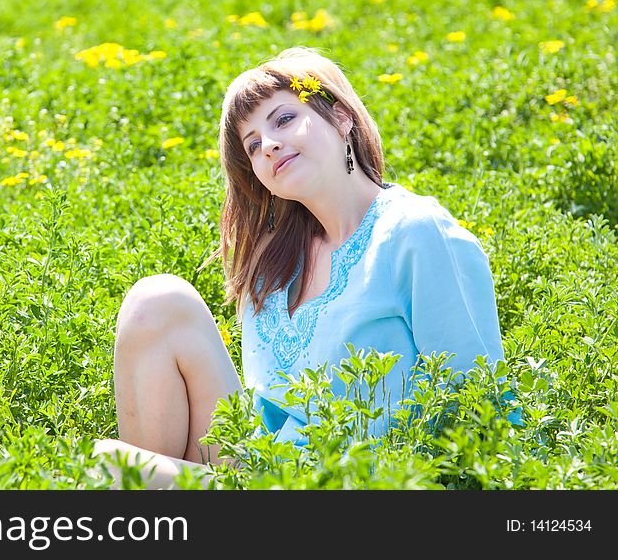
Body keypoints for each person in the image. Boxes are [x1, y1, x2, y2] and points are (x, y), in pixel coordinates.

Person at [93, 46, 508, 487]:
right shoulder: (274, 266)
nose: (268, 144)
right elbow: (256, 423)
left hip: (360, 485)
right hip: (267, 474)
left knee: (109, 466)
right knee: (156, 302)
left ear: (342, 117)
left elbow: (481, 404)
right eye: (252, 144)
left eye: (284, 119)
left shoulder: (416, 233)